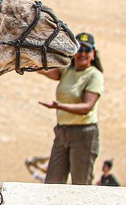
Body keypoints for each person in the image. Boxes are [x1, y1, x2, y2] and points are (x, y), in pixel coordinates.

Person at [38, 31, 104, 185]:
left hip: (83, 133)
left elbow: (87, 107)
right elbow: (45, 70)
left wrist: (59, 106)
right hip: (62, 132)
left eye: (86, 50)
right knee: (53, 182)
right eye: (79, 49)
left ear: (93, 53)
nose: (82, 53)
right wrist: (25, 63)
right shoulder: (67, 70)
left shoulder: (94, 75)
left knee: (80, 184)